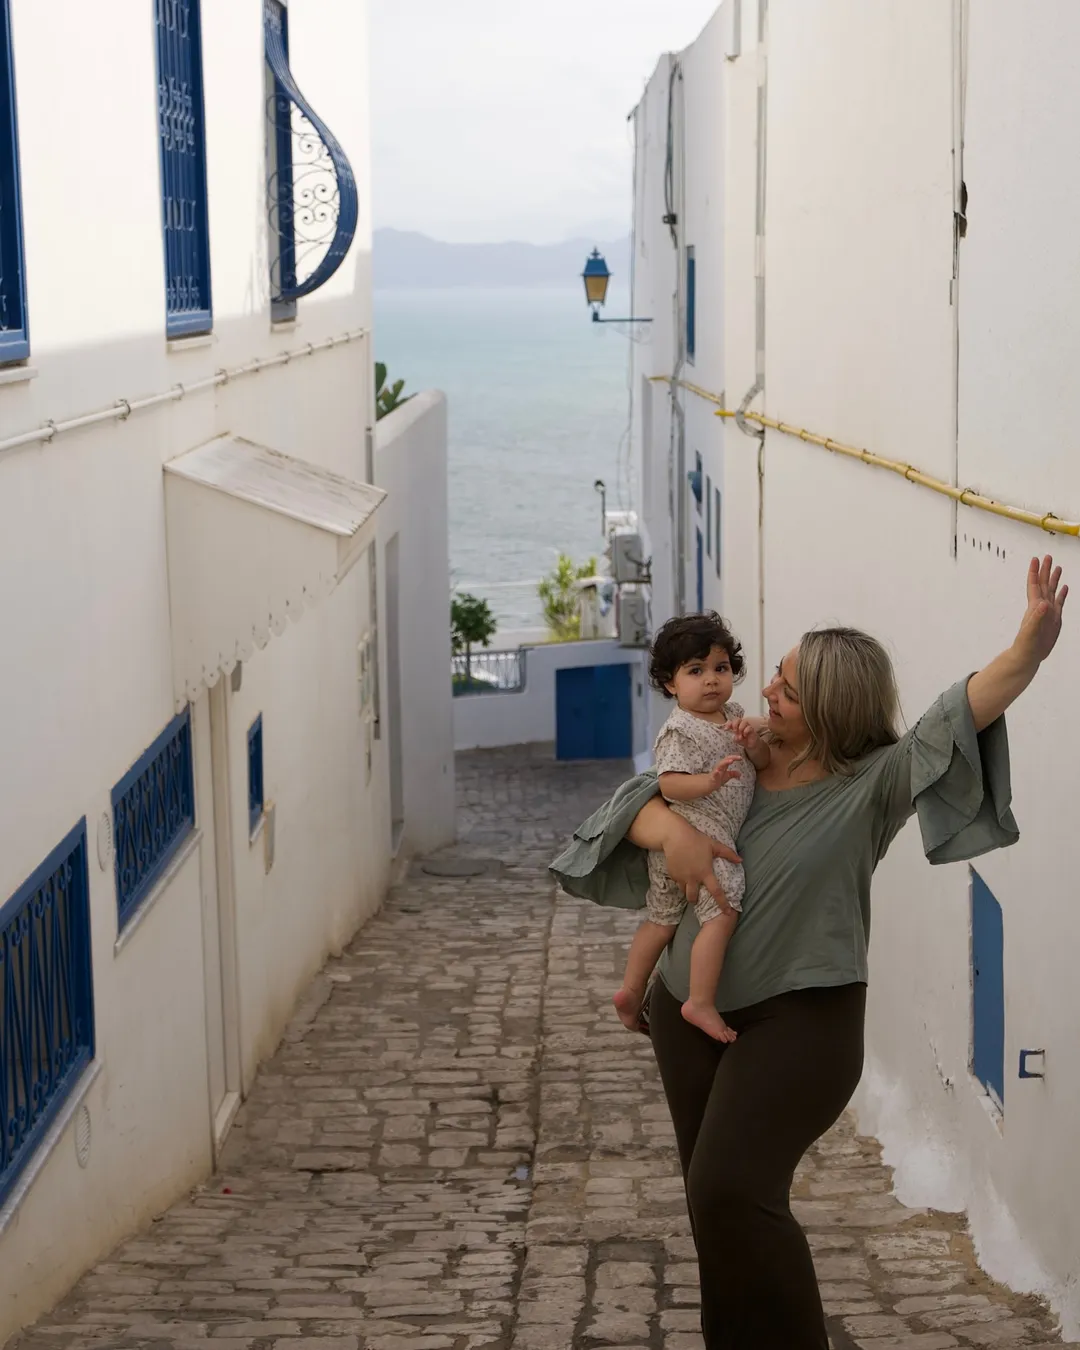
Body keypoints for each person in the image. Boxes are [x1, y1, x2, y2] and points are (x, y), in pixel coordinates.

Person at [550, 555, 1067, 1350]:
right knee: (712, 1205)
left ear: (826, 704)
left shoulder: (875, 784)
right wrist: (672, 833)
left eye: (785, 687)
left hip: (805, 1018)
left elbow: (957, 713)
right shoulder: (735, 757)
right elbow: (633, 804)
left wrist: (1028, 648)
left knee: (732, 1188)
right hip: (685, 1010)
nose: (764, 692)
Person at [613, 612, 770, 1043]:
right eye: (695, 671)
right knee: (723, 911)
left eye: (720, 668)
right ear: (670, 683)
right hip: (699, 838)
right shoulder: (679, 731)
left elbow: (762, 765)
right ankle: (700, 1000)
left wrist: (754, 746)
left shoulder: (734, 716)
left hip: (692, 841)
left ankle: (629, 991)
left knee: (662, 921)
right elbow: (670, 785)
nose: (711, 681)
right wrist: (711, 782)